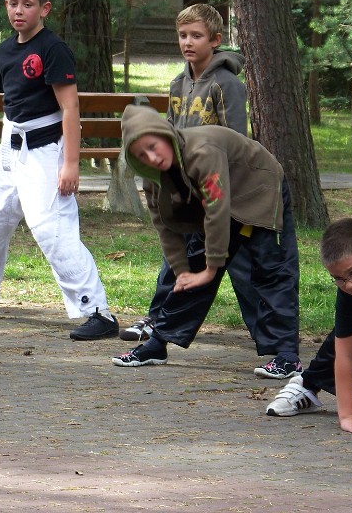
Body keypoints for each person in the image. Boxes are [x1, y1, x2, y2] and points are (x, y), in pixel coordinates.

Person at [0, 0, 117, 340]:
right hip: (11, 148)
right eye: (13, 3)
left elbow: (70, 109)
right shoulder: (4, 51)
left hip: (46, 151)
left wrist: (70, 163)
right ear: (6, 5)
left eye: (28, 4)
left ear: (44, 8)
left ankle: (97, 310)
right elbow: (13, 102)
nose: (19, 10)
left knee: (52, 230)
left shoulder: (52, 49)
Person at [111, 105, 302, 376]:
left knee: (271, 268)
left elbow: (217, 210)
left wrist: (212, 269)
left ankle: (287, 356)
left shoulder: (202, 151)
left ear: (166, 135)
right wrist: (182, 271)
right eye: (142, 154)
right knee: (193, 272)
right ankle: (157, 344)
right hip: (223, 198)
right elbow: (165, 227)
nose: (152, 157)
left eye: (153, 146)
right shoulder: (154, 178)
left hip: (258, 186)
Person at [120, 3, 261, 348]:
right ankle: (157, 318)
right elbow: (168, 132)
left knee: (240, 265)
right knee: (176, 253)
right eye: (182, 35)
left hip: (218, 187)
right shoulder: (178, 84)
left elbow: (235, 139)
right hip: (184, 186)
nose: (187, 42)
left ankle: (272, 336)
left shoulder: (227, 84)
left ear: (215, 40)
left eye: (196, 35)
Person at [266, 218, 352, 431]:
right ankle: (308, 385)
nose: (349, 284)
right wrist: (348, 415)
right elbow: (345, 354)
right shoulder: (350, 294)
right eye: (338, 278)